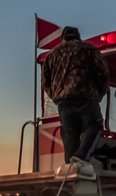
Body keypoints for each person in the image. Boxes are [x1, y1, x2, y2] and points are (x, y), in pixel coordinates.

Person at [41, 26, 110, 174]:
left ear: (63, 38)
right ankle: (81, 157)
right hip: (87, 99)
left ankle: (70, 170)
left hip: (64, 102)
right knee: (95, 124)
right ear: (78, 36)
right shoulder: (89, 50)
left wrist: (55, 96)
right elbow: (103, 74)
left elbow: (45, 81)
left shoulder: (52, 54)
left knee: (69, 134)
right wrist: (99, 94)